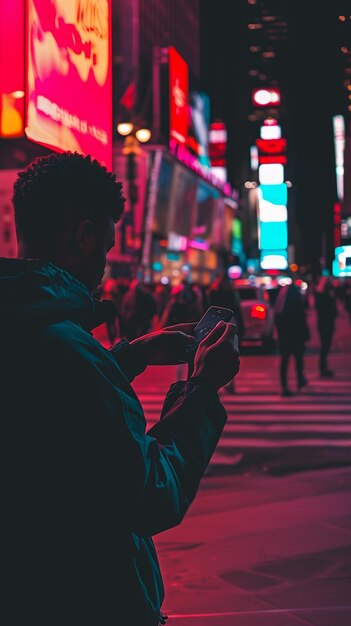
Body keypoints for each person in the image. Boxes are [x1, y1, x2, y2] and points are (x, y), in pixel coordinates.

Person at [1, 151, 240, 626]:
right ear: (82, 234)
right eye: (105, 250)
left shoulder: (21, 325)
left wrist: (130, 357)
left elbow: (46, 407)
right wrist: (202, 388)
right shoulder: (69, 352)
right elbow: (151, 494)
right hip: (86, 596)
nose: (105, 266)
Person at [206, 271, 245, 393]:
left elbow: (207, 309)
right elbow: (237, 309)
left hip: (216, 324)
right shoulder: (232, 293)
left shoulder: (212, 292)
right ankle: (231, 383)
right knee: (230, 354)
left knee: (215, 354)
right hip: (230, 323)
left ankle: (214, 383)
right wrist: (241, 326)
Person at [274, 282, 310, 396]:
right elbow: (302, 322)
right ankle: (299, 380)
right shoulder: (297, 305)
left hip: (285, 339)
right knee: (298, 360)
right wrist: (306, 335)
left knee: (285, 362)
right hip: (297, 337)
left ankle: (284, 386)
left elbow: (278, 324)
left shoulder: (280, 307)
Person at [314, 275, 338, 377]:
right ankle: (323, 369)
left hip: (323, 323)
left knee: (325, 346)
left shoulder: (319, 296)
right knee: (325, 347)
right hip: (326, 323)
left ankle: (323, 368)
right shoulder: (325, 296)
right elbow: (333, 310)